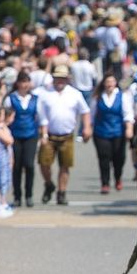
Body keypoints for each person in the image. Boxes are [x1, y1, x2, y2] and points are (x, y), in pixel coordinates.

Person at [37, 65, 91, 206]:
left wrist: (86, 127)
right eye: (57, 78)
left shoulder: (74, 93)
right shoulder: (45, 93)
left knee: (65, 165)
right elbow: (40, 113)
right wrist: (43, 133)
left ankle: (62, 192)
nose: (60, 81)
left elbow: (85, 111)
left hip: (67, 135)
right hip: (49, 134)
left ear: (67, 79)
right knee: (44, 163)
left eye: (63, 78)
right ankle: (49, 184)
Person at [90, 73, 134, 194]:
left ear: (115, 83)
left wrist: (129, 128)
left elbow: (128, 113)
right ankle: (105, 183)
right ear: (104, 83)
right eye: (107, 82)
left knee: (119, 158)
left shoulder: (122, 96)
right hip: (101, 132)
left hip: (118, 132)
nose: (109, 84)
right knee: (104, 157)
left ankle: (118, 177)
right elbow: (91, 115)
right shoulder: (98, 97)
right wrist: (88, 128)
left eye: (112, 81)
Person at [4, 72, 40, 208]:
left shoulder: (35, 98)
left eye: (27, 82)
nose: (25, 85)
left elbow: (39, 117)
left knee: (29, 165)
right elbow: (6, 117)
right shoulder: (11, 98)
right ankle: (17, 196)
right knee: (17, 166)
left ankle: (29, 195)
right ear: (18, 83)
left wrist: (43, 134)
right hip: (15, 135)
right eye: (22, 82)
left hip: (31, 134)